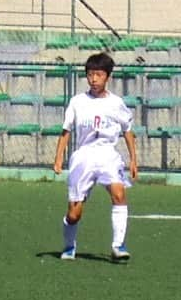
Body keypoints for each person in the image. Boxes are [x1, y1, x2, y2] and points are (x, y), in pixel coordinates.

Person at [53, 52, 138, 261]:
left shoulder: (116, 103)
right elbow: (66, 131)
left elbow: (127, 130)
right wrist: (58, 158)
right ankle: (69, 245)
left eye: (98, 75)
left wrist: (134, 159)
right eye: (90, 75)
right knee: (74, 214)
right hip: (84, 156)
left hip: (108, 154)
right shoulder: (77, 102)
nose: (94, 79)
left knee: (119, 194)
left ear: (107, 77)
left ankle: (118, 245)